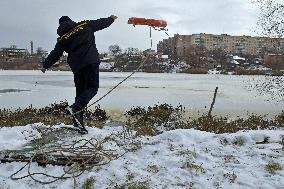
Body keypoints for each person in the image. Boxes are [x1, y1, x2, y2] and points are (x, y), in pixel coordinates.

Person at [41, 15, 118, 133]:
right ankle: (75, 109)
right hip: (90, 62)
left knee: (80, 94)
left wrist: (45, 65)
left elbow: (55, 54)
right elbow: (100, 23)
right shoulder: (84, 25)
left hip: (77, 67)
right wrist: (111, 19)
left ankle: (79, 124)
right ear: (70, 21)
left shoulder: (62, 38)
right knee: (92, 88)